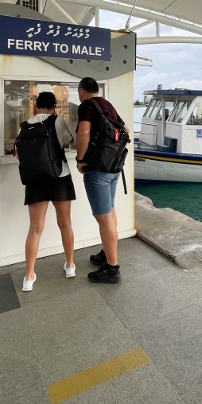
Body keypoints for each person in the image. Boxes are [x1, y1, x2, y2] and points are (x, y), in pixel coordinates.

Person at [19, 92, 77, 291]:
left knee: (35, 229)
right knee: (65, 223)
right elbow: (69, 141)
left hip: (35, 181)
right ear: (53, 106)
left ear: (36, 106)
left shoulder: (25, 125)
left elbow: (19, 153)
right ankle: (70, 266)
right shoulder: (58, 121)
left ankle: (28, 277)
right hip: (60, 177)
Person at [75, 77, 129, 284]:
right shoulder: (107, 105)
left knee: (103, 218)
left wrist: (81, 160)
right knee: (110, 212)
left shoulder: (87, 105)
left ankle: (112, 268)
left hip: (97, 170)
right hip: (114, 168)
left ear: (82, 91)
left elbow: (84, 132)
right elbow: (126, 130)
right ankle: (107, 253)